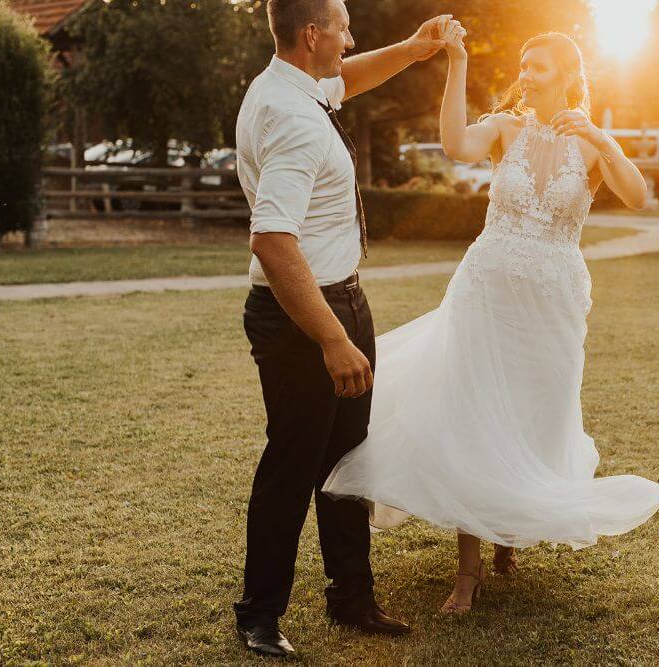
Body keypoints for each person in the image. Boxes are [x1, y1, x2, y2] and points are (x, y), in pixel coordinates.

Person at [323, 30, 659, 614]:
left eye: (539, 67)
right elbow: (455, 143)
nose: (526, 75)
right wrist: (457, 59)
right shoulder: (506, 129)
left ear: (567, 75)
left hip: (553, 303)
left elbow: (637, 196)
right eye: (523, 65)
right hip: (486, 293)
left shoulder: (588, 145)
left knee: (536, 413)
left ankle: (508, 531)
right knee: (475, 414)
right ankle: (468, 571)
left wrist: (601, 138)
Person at [232, 0, 462, 657]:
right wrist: (333, 338)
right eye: (343, 26)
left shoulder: (293, 85)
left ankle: (352, 596)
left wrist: (413, 49)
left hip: (344, 299)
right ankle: (259, 614)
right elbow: (272, 241)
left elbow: (348, 78)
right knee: (293, 462)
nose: (352, 39)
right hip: (305, 318)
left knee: (347, 458)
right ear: (313, 34)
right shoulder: (290, 117)